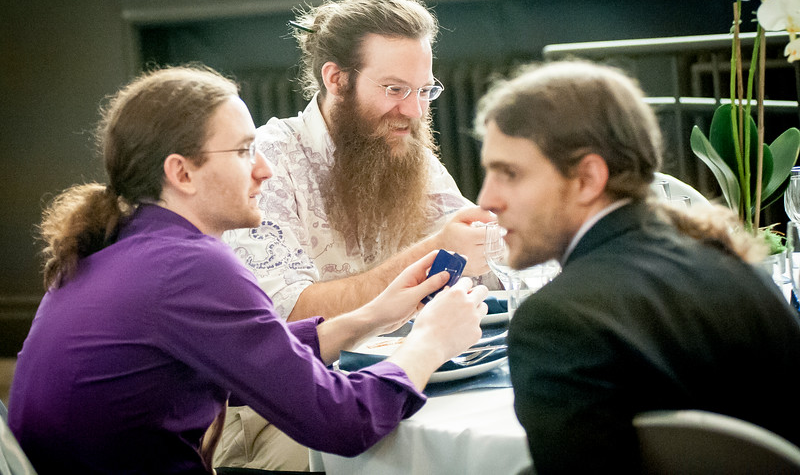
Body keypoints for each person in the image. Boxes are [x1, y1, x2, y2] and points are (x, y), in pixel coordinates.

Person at [7, 65, 488, 474]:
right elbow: (342, 422)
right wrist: (429, 343)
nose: (264, 169)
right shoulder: (190, 265)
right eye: (242, 152)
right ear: (182, 173)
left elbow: (248, 359)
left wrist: (372, 317)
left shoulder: (120, 246)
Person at [474, 60, 800, 474]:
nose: (486, 198)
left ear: (588, 178)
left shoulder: (557, 323)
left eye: (510, 174)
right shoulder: (736, 267)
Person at [218, 0, 494, 469]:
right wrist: (434, 250)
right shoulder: (268, 162)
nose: (413, 111)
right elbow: (291, 318)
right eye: (394, 90)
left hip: (394, 374)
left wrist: (492, 243)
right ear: (337, 78)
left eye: (424, 90)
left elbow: (490, 252)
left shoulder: (406, 150)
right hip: (277, 407)